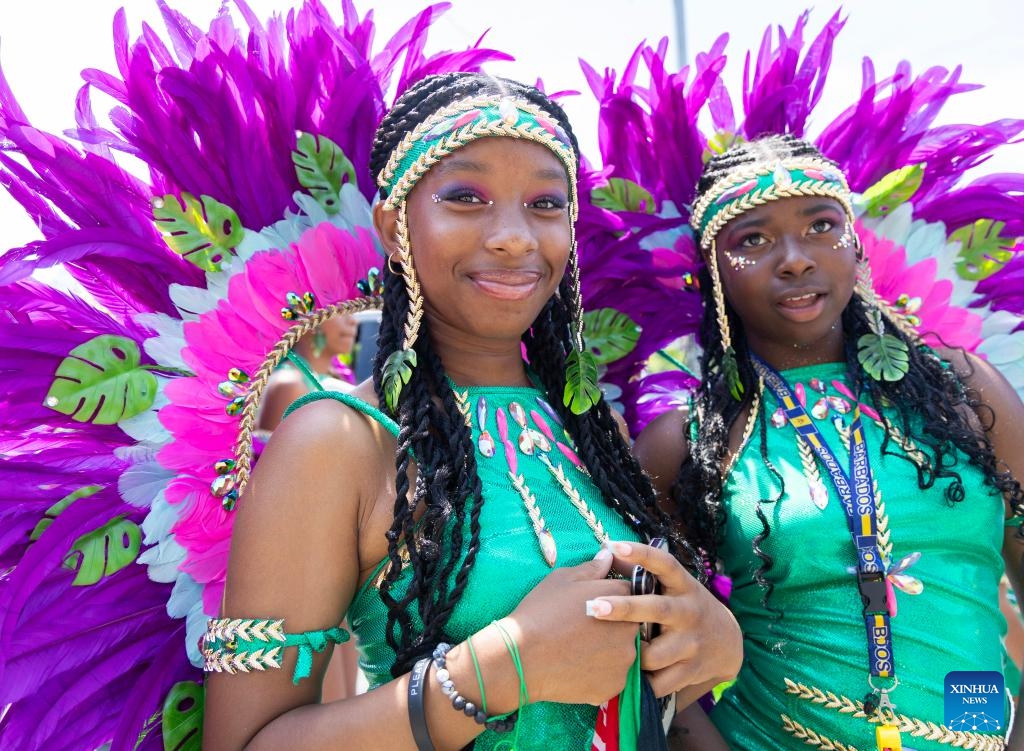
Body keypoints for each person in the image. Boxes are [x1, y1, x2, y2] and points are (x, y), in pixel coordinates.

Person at [201, 72, 742, 750]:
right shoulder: (338, 439)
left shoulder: (590, 431)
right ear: (395, 229)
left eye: (546, 203)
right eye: (465, 196)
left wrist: (712, 643)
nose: (515, 237)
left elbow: (646, 702)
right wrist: (503, 669)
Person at [634, 133, 1024, 751]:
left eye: (821, 225)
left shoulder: (966, 391)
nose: (795, 258)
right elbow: (647, 648)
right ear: (712, 273)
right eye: (752, 239)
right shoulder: (686, 441)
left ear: (855, 245)